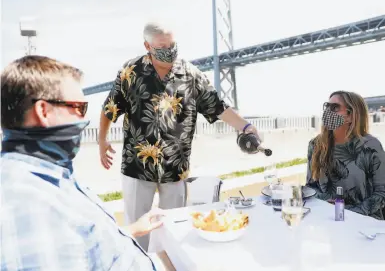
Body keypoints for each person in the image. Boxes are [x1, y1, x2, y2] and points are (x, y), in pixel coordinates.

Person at [98, 21, 261, 251]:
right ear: (148, 46)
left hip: (176, 167)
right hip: (137, 166)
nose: (170, 50)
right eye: (163, 46)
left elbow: (218, 107)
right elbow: (110, 108)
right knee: (137, 236)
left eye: (173, 44)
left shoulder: (191, 74)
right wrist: (102, 140)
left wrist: (246, 127)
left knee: (174, 233)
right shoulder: (130, 72)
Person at [1, 55, 172, 270]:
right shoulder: (30, 207)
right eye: (79, 108)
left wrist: (130, 230)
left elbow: (76, 244)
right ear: (43, 111)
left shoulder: (47, 174)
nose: (83, 119)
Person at [306, 91, 385, 220]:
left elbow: (381, 193)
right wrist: (328, 205)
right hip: (328, 218)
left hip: (365, 223)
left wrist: (348, 213)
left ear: (350, 115)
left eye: (335, 107)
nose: (328, 111)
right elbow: (310, 187)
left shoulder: (371, 146)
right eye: (327, 106)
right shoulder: (315, 145)